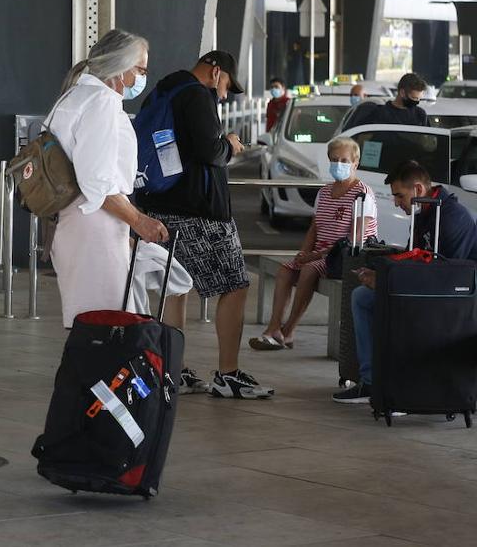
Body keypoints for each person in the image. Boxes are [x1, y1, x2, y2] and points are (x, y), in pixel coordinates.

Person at [136, 51, 275, 399]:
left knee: (176, 285)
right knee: (235, 285)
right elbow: (209, 152)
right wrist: (229, 145)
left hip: (159, 204)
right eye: (227, 84)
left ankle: (173, 369)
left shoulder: (164, 90)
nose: (225, 94)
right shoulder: (197, 95)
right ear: (216, 72)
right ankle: (228, 374)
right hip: (197, 209)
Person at [47, 30, 169, 328]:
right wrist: (138, 221)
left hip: (80, 222)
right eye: (140, 70)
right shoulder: (101, 101)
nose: (141, 78)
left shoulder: (75, 95)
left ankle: (90, 374)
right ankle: (99, 375)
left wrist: (121, 228)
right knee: (106, 321)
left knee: (89, 320)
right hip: (94, 224)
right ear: (121, 67)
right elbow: (97, 183)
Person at [334, 161, 477, 403]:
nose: (396, 202)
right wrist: (382, 277)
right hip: (430, 284)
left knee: (400, 304)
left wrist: (390, 282)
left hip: (458, 293)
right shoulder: (423, 214)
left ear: (418, 190)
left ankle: (402, 387)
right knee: (362, 297)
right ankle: (371, 381)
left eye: (399, 195)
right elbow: (416, 259)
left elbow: (448, 276)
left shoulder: (452, 217)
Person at [251, 137, 377, 351]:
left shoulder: (362, 195)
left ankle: (288, 330)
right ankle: (273, 328)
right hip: (319, 254)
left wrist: (312, 257)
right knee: (285, 271)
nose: (339, 165)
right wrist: (304, 252)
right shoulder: (325, 192)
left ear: (355, 163)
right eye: (334, 160)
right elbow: (314, 228)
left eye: (344, 160)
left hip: (343, 256)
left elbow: (354, 240)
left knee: (309, 270)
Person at [345, 73, 428, 128]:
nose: (416, 102)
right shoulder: (379, 114)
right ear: (402, 93)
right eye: (414, 98)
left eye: (419, 99)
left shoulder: (420, 115)